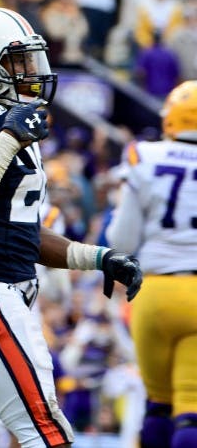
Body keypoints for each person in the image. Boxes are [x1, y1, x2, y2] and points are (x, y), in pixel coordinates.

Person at [0, 6, 143, 448]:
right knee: (46, 431)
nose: (31, 71)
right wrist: (7, 141)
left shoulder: (5, 122)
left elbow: (22, 232)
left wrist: (100, 258)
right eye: (17, 61)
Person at [105, 80, 197, 448]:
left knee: (158, 403)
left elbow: (121, 241)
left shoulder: (144, 155)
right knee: (191, 407)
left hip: (155, 290)